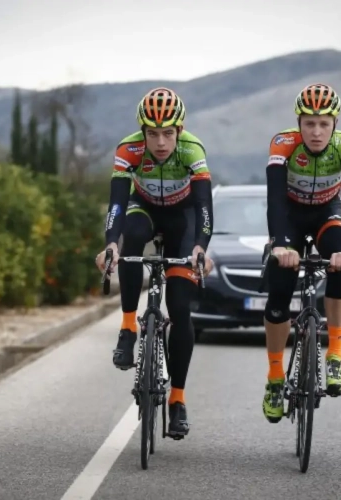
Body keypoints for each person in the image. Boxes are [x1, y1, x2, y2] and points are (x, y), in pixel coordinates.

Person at [95, 87, 214, 438]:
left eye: (167, 133)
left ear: (180, 130)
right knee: (130, 239)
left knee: (180, 308)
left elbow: (205, 207)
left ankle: (177, 399)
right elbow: (116, 204)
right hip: (143, 208)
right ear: (142, 132)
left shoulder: (193, 150)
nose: (160, 142)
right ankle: (129, 326)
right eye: (152, 134)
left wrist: (200, 248)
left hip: (183, 219)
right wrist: (109, 246)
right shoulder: (127, 150)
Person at [261, 83, 341, 423]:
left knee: (338, 262)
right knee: (280, 287)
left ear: (335, 123)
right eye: (309, 123)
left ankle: (335, 354)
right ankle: (275, 378)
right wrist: (279, 244)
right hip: (290, 215)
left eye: (323, 123)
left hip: (326, 213)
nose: (316, 131)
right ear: (299, 123)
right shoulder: (283, 144)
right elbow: (275, 199)